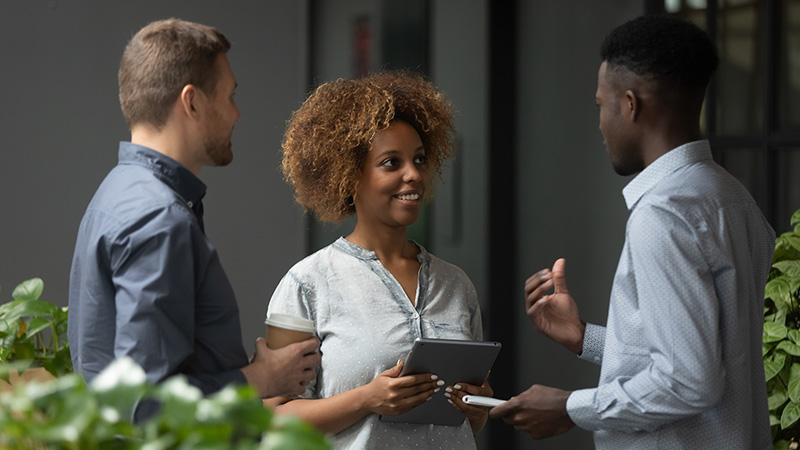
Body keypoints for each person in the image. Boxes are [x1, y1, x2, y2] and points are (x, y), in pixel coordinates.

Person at [490, 14, 775, 449]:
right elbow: (709, 354)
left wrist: (570, 407)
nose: (601, 124)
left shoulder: (663, 214)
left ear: (629, 104)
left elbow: (691, 380)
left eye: (601, 105)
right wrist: (586, 337)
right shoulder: (732, 198)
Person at [68, 18, 320, 405]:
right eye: (230, 95)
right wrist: (262, 377)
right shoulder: (159, 219)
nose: (237, 114)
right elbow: (145, 406)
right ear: (192, 102)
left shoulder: (115, 192)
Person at [266, 71, 492, 449]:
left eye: (419, 160)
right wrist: (366, 399)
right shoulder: (305, 284)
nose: (413, 174)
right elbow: (273, 418)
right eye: (392, 163)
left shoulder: (457, 284)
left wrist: (477, 408)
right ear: (348, 174)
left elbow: (474, 421)